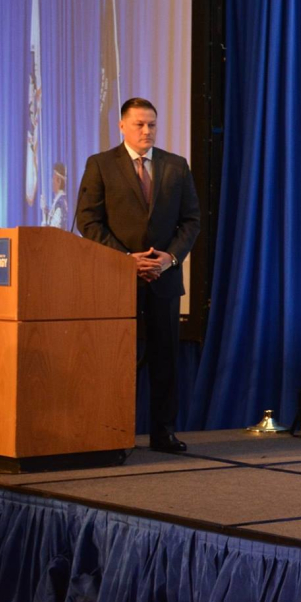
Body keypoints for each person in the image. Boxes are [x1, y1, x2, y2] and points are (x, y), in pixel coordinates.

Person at [76, 98, 200, 453]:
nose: (147, 131)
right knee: (116, 359)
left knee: (165, 360)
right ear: (122, 126)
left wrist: (170, 258)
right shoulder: (100, 165)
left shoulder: (176, 166)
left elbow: (191, 220)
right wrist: (125, 260)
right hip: (117, 280)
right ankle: (112, 433)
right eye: (139, 125)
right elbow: (88, 221)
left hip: (164, 278)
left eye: (152, 125)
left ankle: (163, 433)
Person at [43, 162, 68, 229]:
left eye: (53, 178)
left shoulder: (60, 204)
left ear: (59, 181)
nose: (52, 181)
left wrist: (45, 222)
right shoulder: (60, 201)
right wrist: (46, 213)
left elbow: (54, 230)